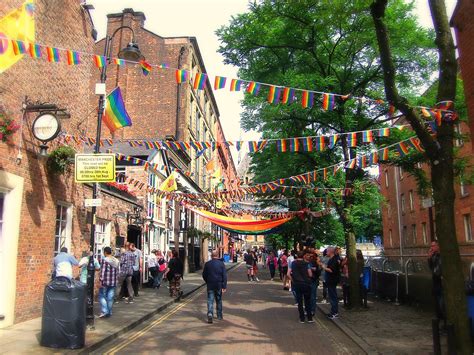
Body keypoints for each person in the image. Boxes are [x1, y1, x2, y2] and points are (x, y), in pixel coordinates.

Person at [202, 250, 228, 324]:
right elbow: (224, 276)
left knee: (210, 300)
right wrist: (224, 286)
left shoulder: (207, 264)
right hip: (219, 285)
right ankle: (219, 315)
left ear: (211, 256)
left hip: (210, 285)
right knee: (218, 300)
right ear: (217, 255)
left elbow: (204, 275)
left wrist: (207, 281)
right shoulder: (221, 264)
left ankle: (210, 313)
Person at [289, 251, 314, 323]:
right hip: (306, 284)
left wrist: (293, 280)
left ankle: (302, 318)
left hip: (297, 284)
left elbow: (288, 273)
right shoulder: (307, 264)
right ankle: (310, 318)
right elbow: (310, 274)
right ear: (303, 256)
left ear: (297, 256)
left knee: (299, 302)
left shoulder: (293, 263)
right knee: (307, 301)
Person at [98, 246, 119, 318]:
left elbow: (103, 271)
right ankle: (109, 312)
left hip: (105, 281)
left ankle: (105, 311)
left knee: (101, 295)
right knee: (110, 297)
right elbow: (118, 271)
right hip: (113, 281)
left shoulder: (105, 260)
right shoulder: (116, 260)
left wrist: (100, 280)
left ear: (105, 252)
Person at [428, 241, 445, 326]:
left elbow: (438, 271)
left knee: (443, 305)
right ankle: (441, 323)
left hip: (441, 283)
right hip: (436, 283)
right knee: (438, 305)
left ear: (438, 246)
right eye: (431, 246)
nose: (432, 248)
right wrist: (429, 258)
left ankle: (446, 324)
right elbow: (432, 268)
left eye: (433, 246)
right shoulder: (434, 256)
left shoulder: (442, 256)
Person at [324, 247, 341, 319]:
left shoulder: (333, 260)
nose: (326, 252)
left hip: (332, 280)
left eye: (327, 251)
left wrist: (323, 267)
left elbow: (331, 270)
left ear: (330, 252)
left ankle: (334, 312)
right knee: (332, 296)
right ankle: (333, 311)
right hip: (331, 280)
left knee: (333, 296)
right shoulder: (333, 259)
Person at [308, 251, 321, 316]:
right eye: (309, 256)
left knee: (312, 296)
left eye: (312, 256)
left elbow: (319, 272)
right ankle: (309, 309)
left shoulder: (316, 263)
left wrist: (315, 269)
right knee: (308, 296)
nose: (310, 257)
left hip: (313, 280)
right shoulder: (307, 263)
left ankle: (312, 310)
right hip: (308, 281)